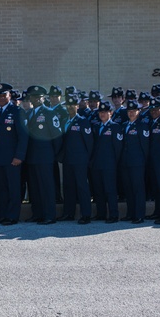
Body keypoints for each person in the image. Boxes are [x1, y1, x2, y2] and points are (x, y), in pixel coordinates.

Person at [0, 83, 28, 226]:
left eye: (3, 95)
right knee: (2, 189)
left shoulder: (17, 111)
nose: (0, 98)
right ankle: (3, 215)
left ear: (9, 96)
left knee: (13, 188)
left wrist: (19, 156)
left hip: (12, 159)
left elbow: (23, 136)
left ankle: (12, 216)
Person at [23, 85, 62, 224]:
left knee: (47, 187)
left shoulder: (49, 113)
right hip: (32, 158)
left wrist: (53, 154)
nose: (35, 99)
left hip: (45, 157)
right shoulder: (29, 114)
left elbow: (57, 137)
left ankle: (49, 215)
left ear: (43, 98)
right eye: (32, 97)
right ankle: (37, 213)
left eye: (38, 97)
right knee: (34, 187)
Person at [57, 94, 93, 224]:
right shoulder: (65, 120)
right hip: (68, 160)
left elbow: (89, 143)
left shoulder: (83, 121)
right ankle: (68, 213)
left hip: (80, 160)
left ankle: (86, 214)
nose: (70, 107)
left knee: (82, 186)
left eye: (72, 105)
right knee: (68, 187)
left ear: (77, 106)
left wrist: (87, 159)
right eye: (68, 105)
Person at [90, 101, 122, 223]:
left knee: (110, 190)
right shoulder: (96, 127)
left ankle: (113, 215)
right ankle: (101, 214)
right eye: (101, 112)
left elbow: (118, 149)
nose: (102, 114)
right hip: (97, 164)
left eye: (105, 112)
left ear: (111, 113)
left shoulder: (115, 127)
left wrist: (114, 163)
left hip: (109, 164)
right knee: (99, 190)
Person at [119, 100, 149, 223]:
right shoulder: (124, 125)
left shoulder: (142, 126)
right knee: (128, 189)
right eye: (129, 111)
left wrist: (144, 161)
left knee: (138, 189)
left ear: (138, 111)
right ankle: (130, 213)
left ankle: (139, 215)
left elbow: (145, 146)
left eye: (133, 111)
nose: (131, 113)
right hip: (126, 162)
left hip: (137, 163)